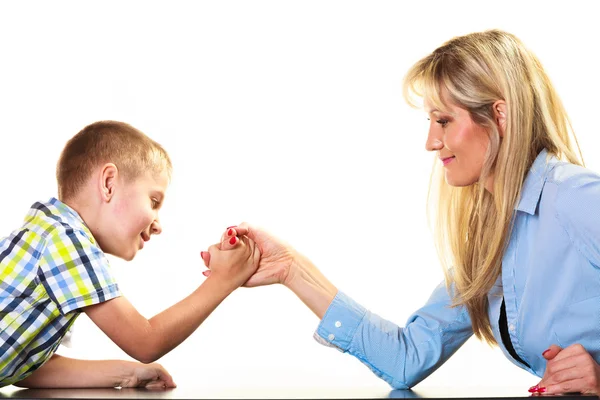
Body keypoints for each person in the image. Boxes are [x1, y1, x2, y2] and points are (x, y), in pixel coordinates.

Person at [203, 30, 600, 395]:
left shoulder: (574, 198)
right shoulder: (492, 236)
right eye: (430, 121)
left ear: (500, 116)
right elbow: (407, 358)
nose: (431, 142)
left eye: (443, 120)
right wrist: (291, 268)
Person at [0, 121, 259, 388]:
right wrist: (225, 278)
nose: (158, 224)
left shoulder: (48, 236)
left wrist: (128, 373)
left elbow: (24, 367)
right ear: (109, 183)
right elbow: (145, 342)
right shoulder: (66, 240)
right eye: (154, 201)